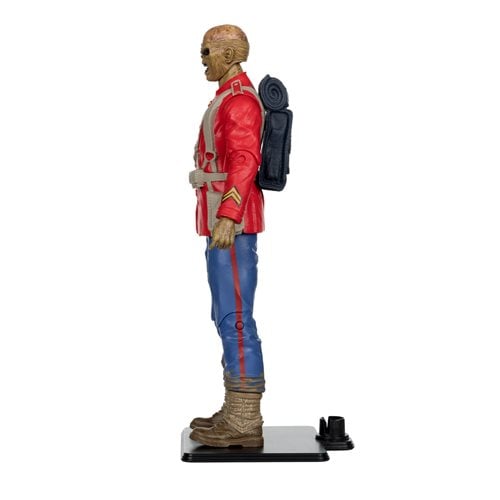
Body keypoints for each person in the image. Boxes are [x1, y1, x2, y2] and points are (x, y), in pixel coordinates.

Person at [188, 24, 265, 447]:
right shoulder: (225, 97)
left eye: (207, 52)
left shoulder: (239, 101)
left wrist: (228, 215)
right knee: (224, 313)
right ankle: (235, 405)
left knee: (235, 316)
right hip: (220, 219)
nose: (202, 60)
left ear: (230, 55)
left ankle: (244, 420)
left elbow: (245, 160)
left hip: (230, 223)